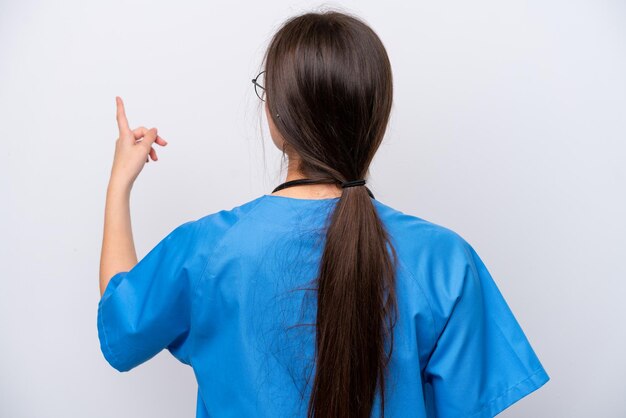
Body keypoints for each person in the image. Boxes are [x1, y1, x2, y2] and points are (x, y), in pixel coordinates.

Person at [97, 9, 549, 418]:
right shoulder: (445, 261)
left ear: (276, 113)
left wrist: (120, 183)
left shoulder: (207, 249)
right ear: (376, 115)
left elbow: (120, 331)